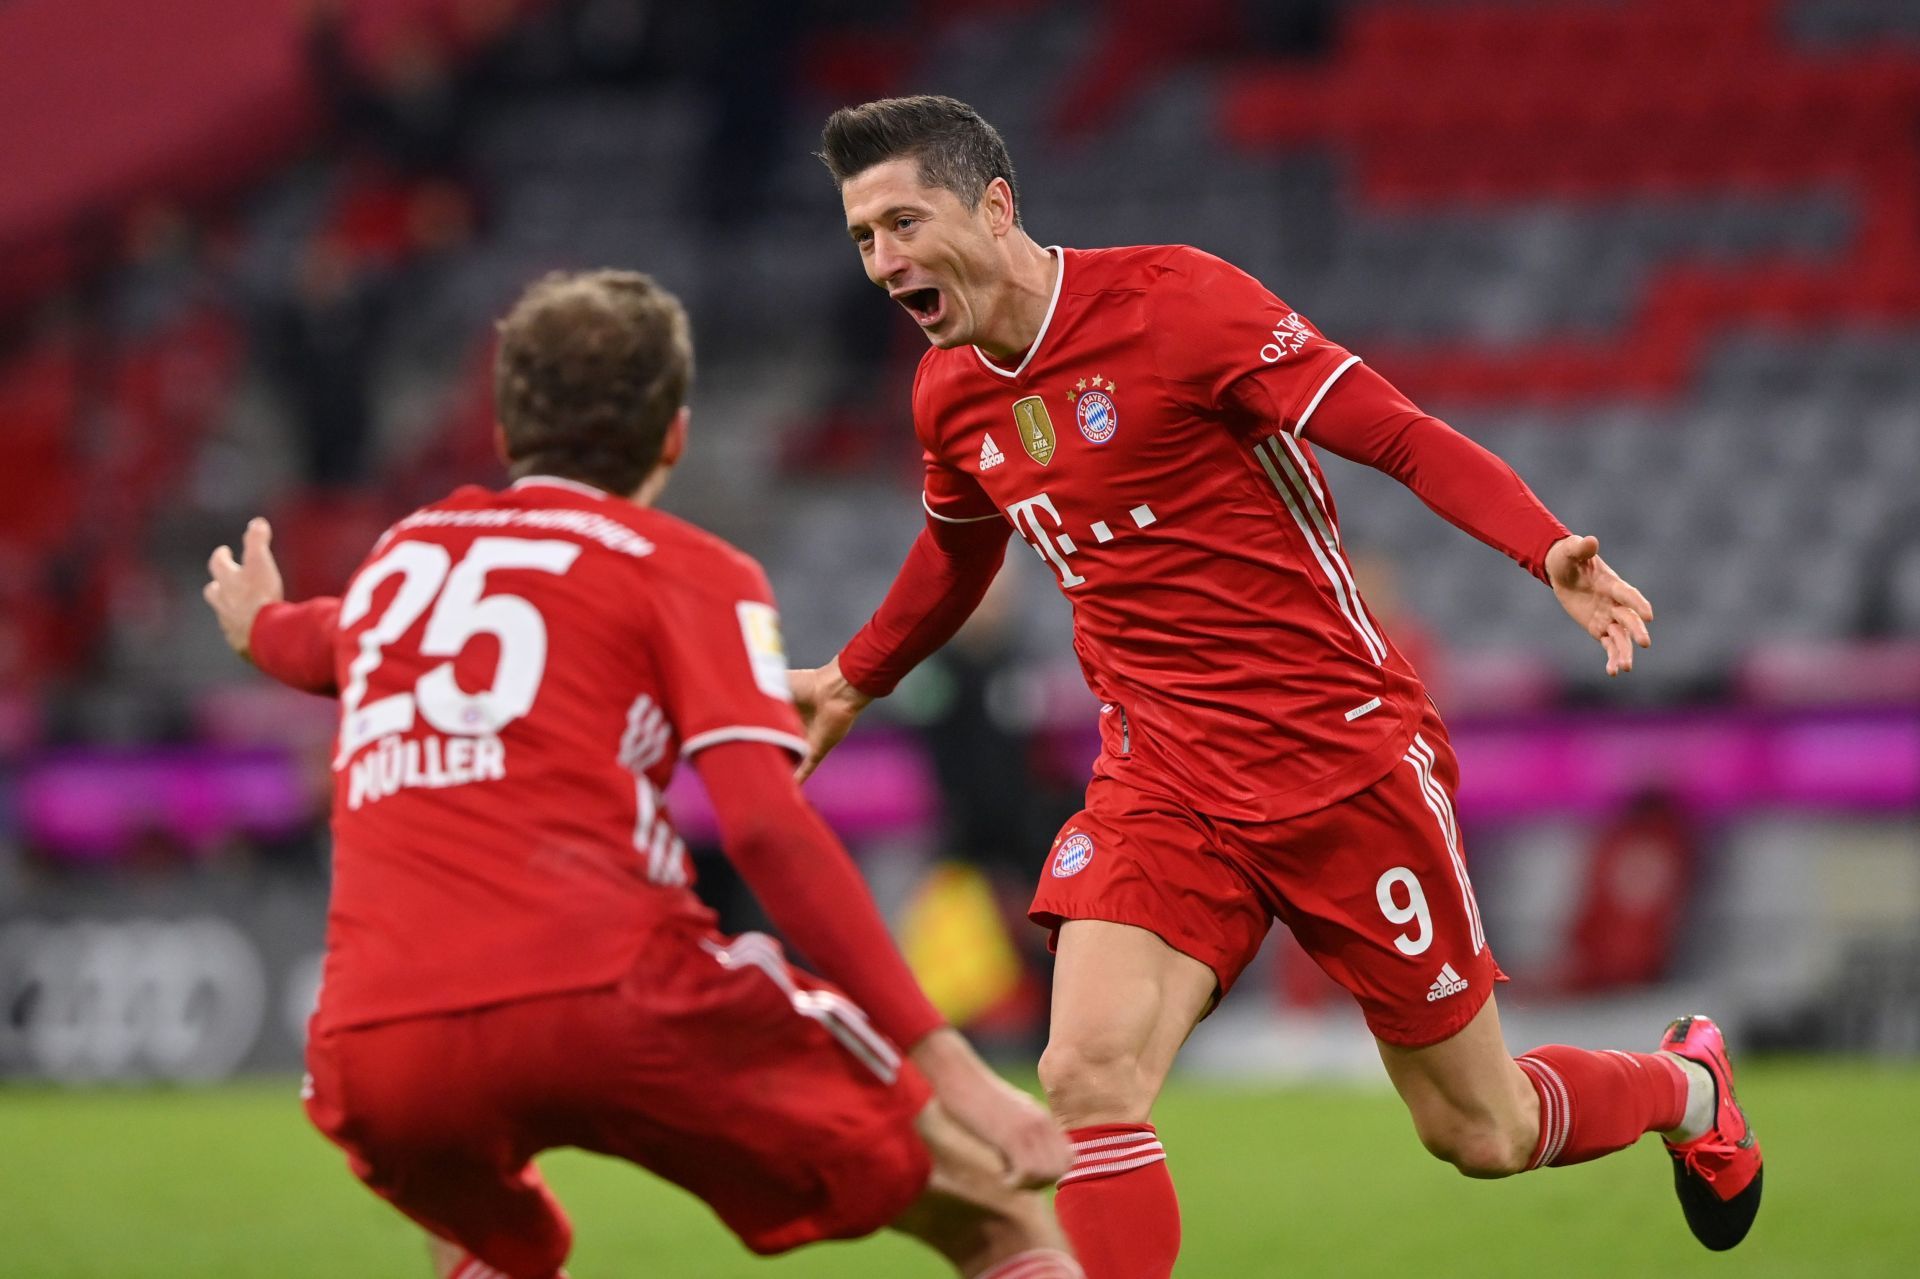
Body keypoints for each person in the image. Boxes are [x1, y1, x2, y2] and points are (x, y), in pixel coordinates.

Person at [788, 96, 1763, 1276]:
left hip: (1341, 761)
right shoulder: (951, 393)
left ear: (994, 207)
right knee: (1085, 1073)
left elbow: (1393, 432)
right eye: (861, 238)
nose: (885, 260)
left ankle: (1686, 1087)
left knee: (1481, 1128)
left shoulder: (1179, 304)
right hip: (1161, 777)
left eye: (903, 221)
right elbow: (958, 549)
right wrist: (850, 681)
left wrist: (1543, 543)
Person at [202, 269, 1082, 1279]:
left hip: (376, 1040)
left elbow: (316, 640)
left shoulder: (405, 558)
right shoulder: (685, 566)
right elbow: (763, 827)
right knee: (997, 1220)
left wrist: (252, 623)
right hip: (612, 995)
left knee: (496, 1243)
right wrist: (952, 1066)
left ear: (504, 429)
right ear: (674, 435)